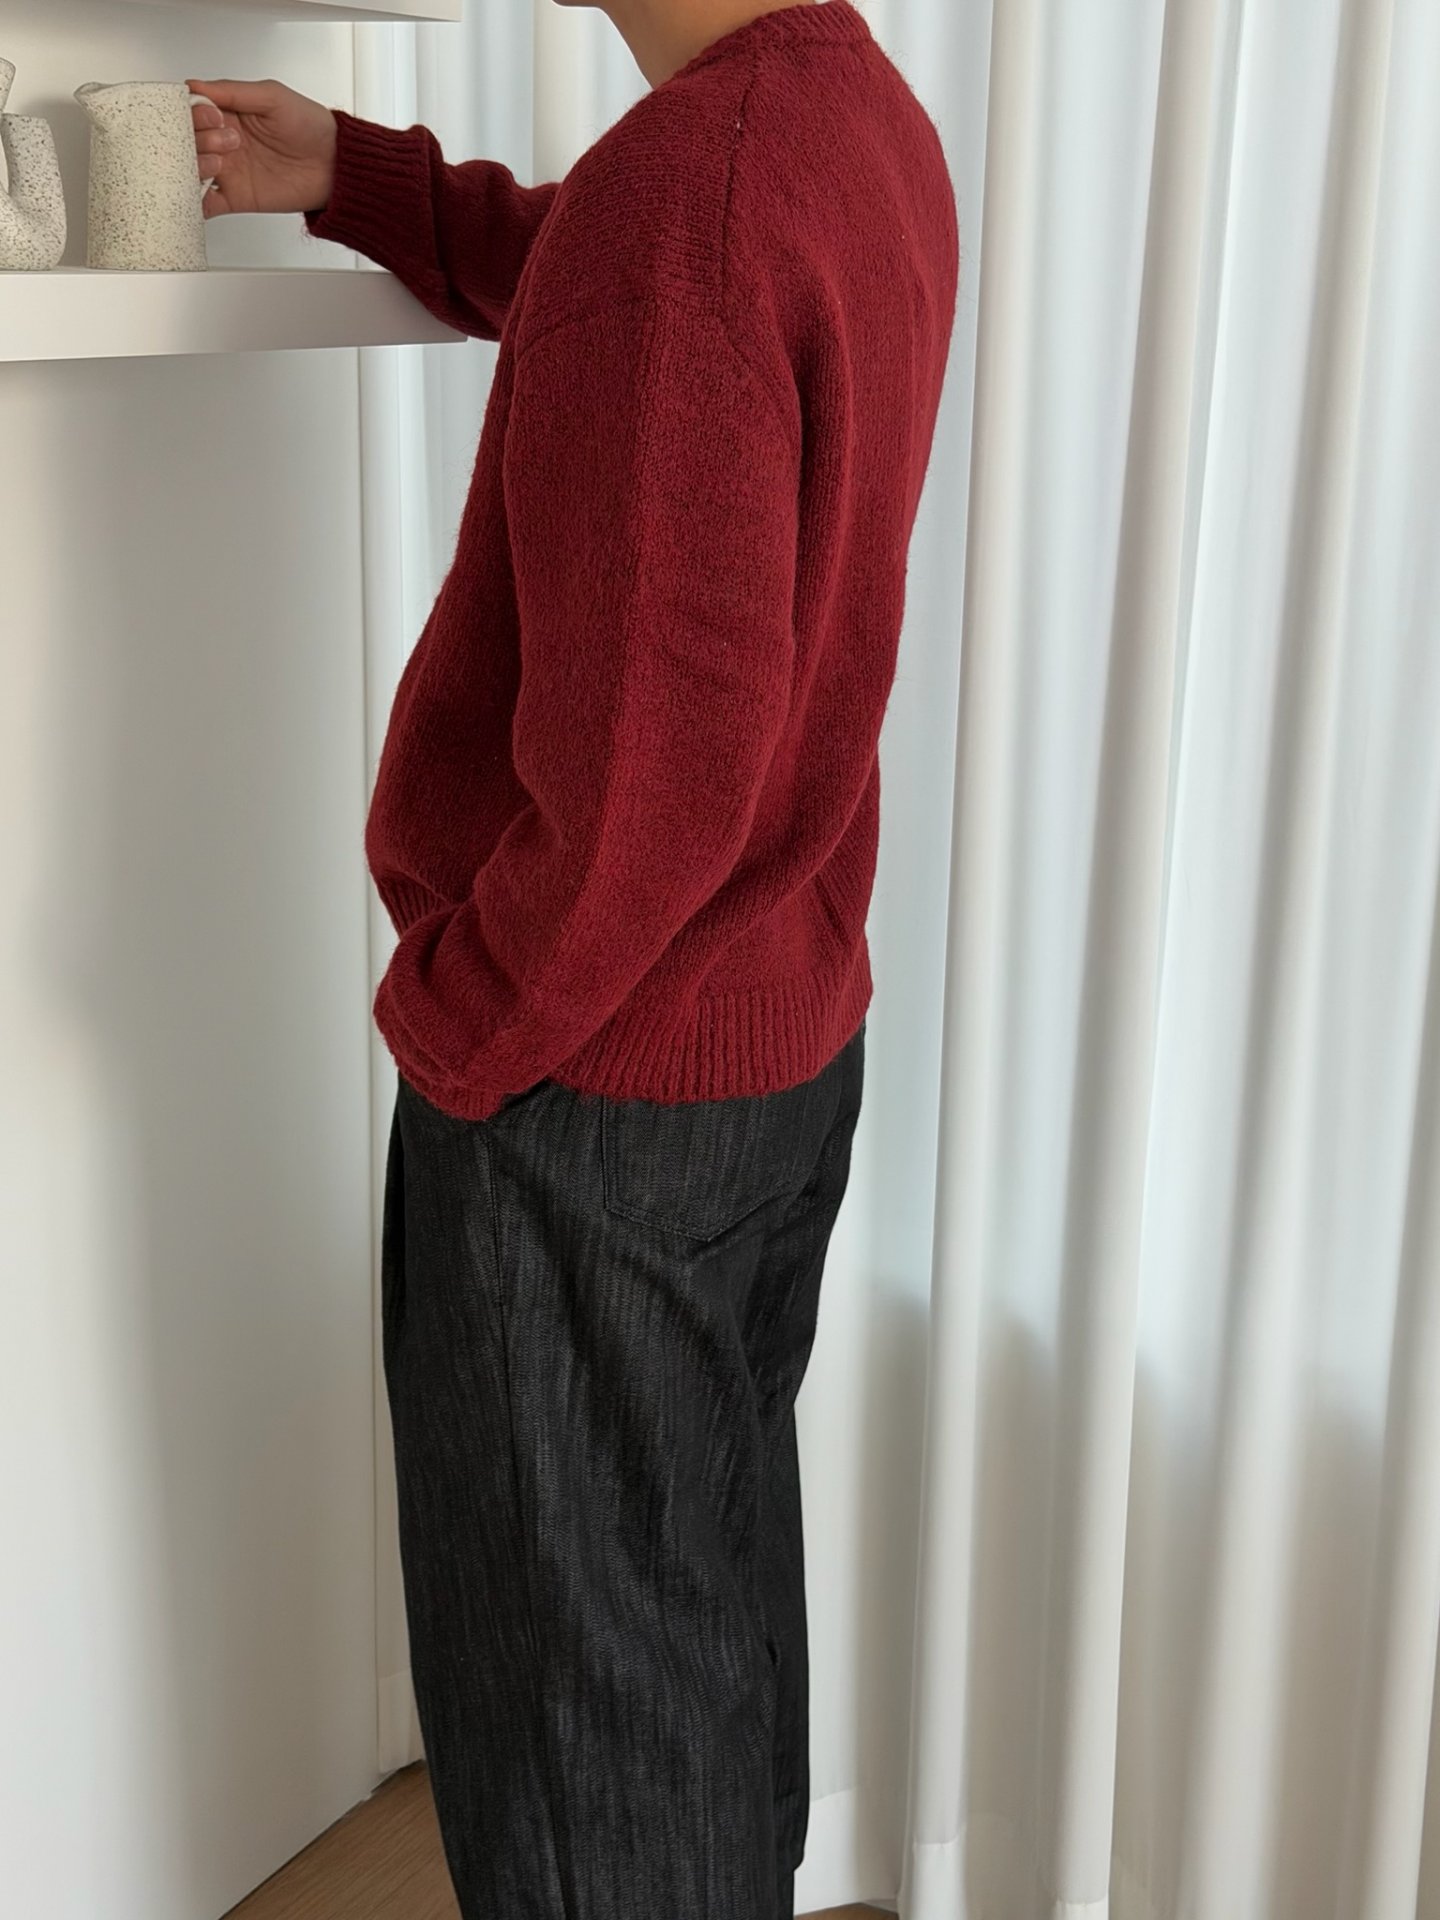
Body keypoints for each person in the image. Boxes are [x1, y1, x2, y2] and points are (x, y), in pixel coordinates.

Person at [191, 3, 955, 1914]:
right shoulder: (846, 119)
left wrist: (460, 1025)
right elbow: (617, 293)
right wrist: (359, 179)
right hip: (770, 1042)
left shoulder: (688, 197)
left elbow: (651, 784)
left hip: (597, 1092)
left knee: (578, 1753)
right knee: (687, 1644)